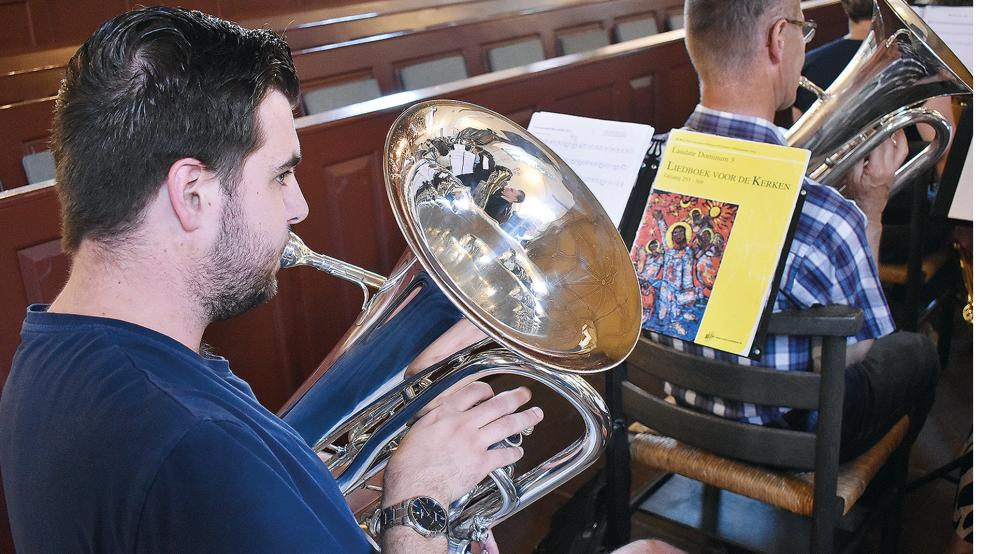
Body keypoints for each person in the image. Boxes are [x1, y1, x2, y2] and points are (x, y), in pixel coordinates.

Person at [0, 8, 543, 554]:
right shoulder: (197, 444)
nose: (299, 205)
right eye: (280, 174)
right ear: (193, 194)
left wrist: (401, 451)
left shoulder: (55, 352)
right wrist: (418, 510)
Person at [632, 0, 939, 463]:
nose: (804, 42)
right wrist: (870, 206)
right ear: (778, 39)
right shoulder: (830, 216)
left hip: (678, 405)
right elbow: (858, 353)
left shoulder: (637, 169)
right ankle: (874, 512)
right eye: (804, 29)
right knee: (917, 351)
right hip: (786, 438)